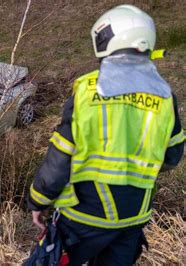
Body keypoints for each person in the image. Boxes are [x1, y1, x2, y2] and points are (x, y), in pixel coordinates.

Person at [26, 4, 184, 265]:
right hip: (133, 218)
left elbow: (61, 156)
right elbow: (172, 157)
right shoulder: (165, 96)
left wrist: (38, 201)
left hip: (85, 217)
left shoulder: (88, 91)